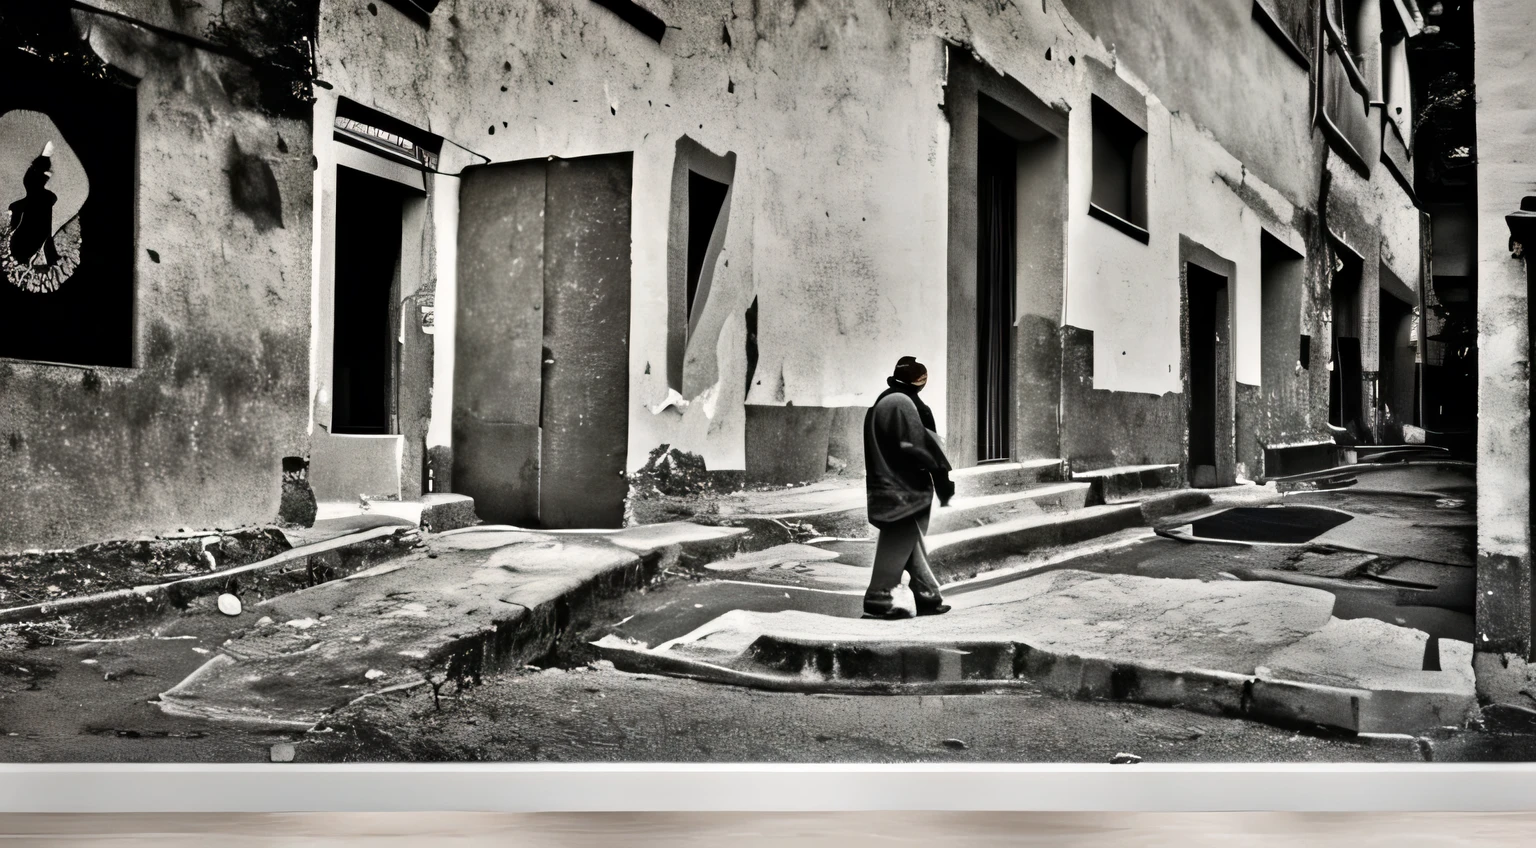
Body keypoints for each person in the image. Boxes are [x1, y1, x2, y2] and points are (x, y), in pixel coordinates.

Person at [862, 355, 955, 619]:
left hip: (884, 486)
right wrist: (943, 484)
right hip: (905, 490)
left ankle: (928, 597)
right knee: (899, 539)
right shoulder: (905, 405)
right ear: (920, 380)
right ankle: (879, 599)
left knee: (907, 541)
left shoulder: (882, 400)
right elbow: (922, 450)